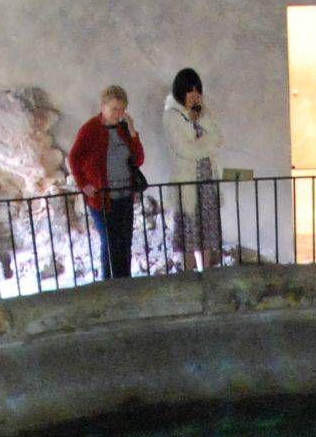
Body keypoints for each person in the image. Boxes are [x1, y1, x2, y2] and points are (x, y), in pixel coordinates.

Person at [69, 84, 148, 281]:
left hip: (124, 195)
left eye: (122, 109)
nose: (118, 114)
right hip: (102, 198)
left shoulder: (123, 129)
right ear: (103, 106)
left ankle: (124, 282)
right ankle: (109, 284)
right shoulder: (90, 129)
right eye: (114, 109)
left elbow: (138, 159)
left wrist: (132, 132)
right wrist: (83, 184)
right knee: (110, 242)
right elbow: (74, 158)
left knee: (125, 242)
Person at [162, 67, 223, 271]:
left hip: (206, 179)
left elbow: (218, 138)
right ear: (181, 91)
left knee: (206, 228)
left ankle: (205, 270)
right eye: (190, 90)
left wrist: (201, 121)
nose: (195, 95)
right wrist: (206, 144)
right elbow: (185, 149)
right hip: (188, 181)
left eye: (197, 90)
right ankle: (189, 273)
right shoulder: (172, 116)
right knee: (191, 230)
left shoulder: (204, 113)